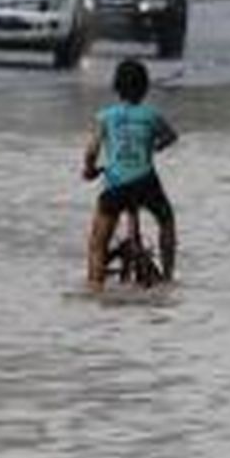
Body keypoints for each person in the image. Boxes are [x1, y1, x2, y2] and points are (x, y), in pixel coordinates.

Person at [82, 59, 178, 292]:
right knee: (166, 221)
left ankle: (95, 285)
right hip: (145, 181)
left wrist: (89, 170)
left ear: (116, 87)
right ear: (145, 88)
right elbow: (171, 137)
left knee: (97, 242)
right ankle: (167, 277)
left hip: (115, 184)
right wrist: (156, 147)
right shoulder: (151, 115)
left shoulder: (105, 116)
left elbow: (92, 150)